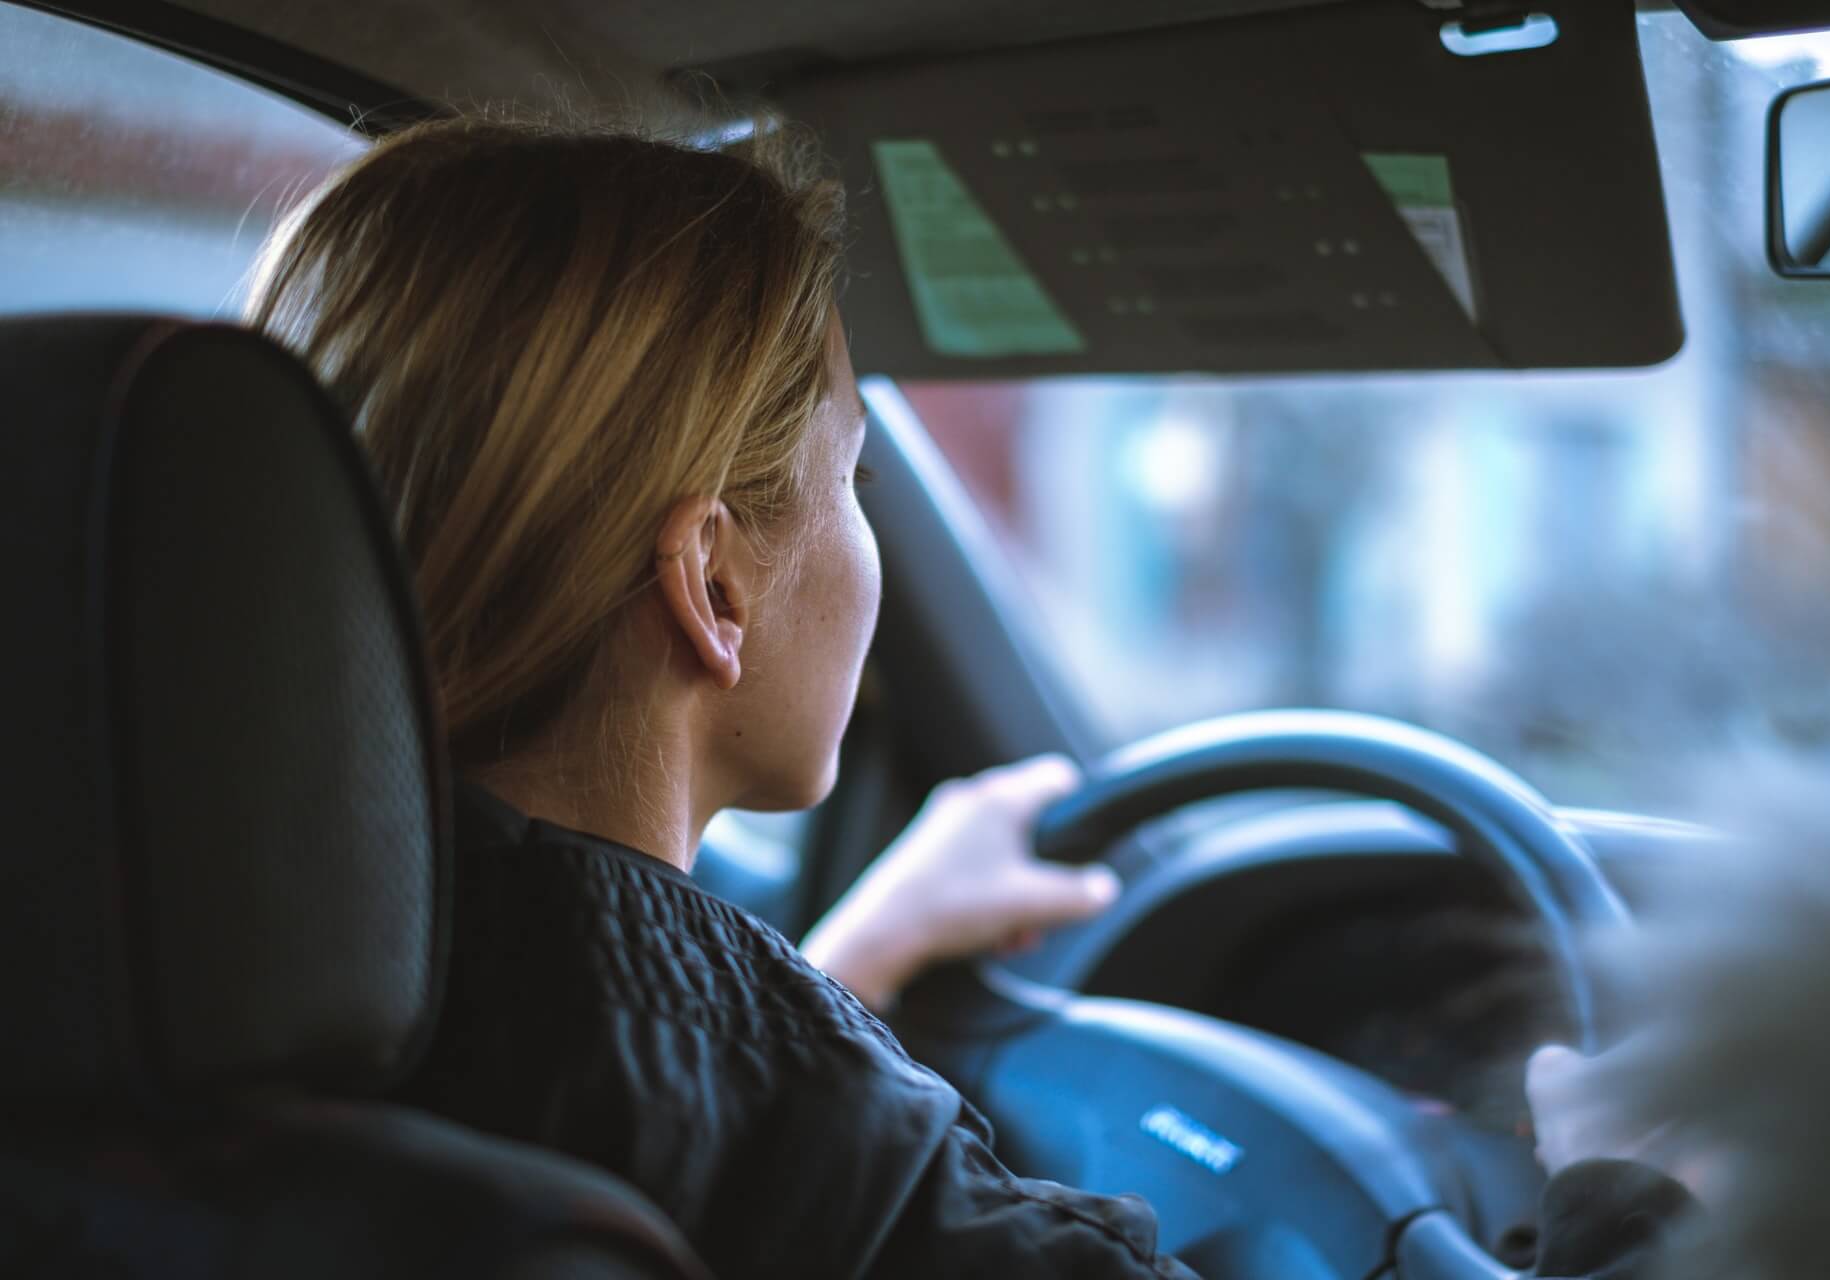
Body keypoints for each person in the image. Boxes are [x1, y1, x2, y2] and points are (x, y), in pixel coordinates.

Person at [248, 115, 1690, 1277]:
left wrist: (843, 966)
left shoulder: (222, 970)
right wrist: (1631, 1207)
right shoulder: (819, 1154)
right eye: (850, 479)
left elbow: (636, 1069)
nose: (864, 532)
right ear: (715, 588)